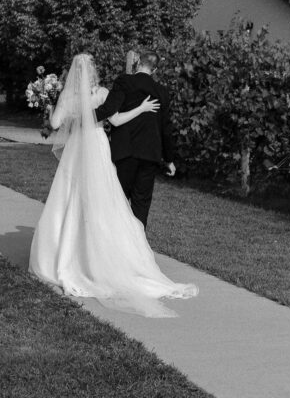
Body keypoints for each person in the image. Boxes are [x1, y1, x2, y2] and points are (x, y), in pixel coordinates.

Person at [29, 52, 197, 318]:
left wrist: (53, 105)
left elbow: (54, 123)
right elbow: (116, 119)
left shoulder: (68, 97)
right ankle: (118, 256)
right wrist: (142, 109)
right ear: (94, 71)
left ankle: (68, 255)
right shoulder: (103, 92)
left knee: (70, 197)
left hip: (76, 149)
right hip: (96, 146)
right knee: (105, 200)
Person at [92, 49, 174, 229]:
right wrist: (169, 159)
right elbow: (166, 128)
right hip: (150, 154)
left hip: (125, 152)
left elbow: (108, 109)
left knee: (118, 201)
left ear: (138, 63)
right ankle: (139, 250)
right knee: (141, 204)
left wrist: (82, 117)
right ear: (155, 70)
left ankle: (116, 245)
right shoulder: (161, 92)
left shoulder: (124, 82)